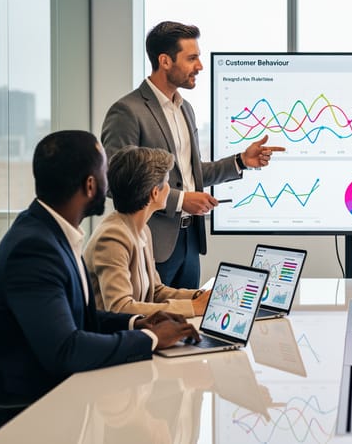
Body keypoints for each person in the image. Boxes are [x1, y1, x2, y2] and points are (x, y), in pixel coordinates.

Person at [0, 131, 199, 429]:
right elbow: (65, 350)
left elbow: (80, 317)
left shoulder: (51, 233)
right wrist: (151, 339)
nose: (111, 183)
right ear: (91, 185)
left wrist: (138, 324)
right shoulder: (34, 249)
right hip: (38, 410)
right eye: (104, 171)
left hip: (62, 387)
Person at [102, 21, 285, 289]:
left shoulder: (185, 109)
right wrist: (180, 201)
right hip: (151, 242)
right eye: (192, 58)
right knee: (154, 323)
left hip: (189, 242)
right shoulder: (127, 111)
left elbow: (190, 172)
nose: (199, 66)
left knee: (188, 321)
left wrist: (241, 161)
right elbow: (115, 182)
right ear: (164, 61)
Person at [84, 146, 212, 317]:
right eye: (166, 183)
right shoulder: (112, 238)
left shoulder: (143, 230)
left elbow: (155, 292)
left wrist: (198, 297)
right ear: (154, 193)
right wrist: (193, 307)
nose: (169, 188)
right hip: (112, 338)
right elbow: (120, 308)